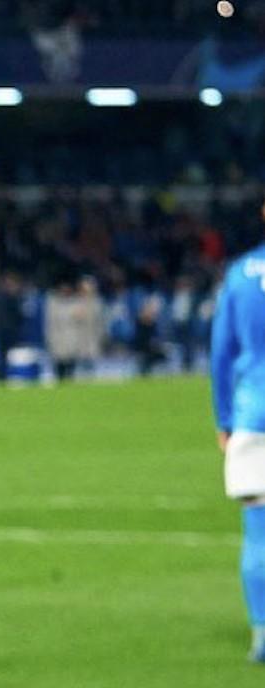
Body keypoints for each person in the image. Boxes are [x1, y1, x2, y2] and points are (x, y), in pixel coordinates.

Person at [210, 201, 265, 664]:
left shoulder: (240, 274)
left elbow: (222, 352)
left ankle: (263, 633)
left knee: (258, 531)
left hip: (254, 414)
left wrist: (224, 419)